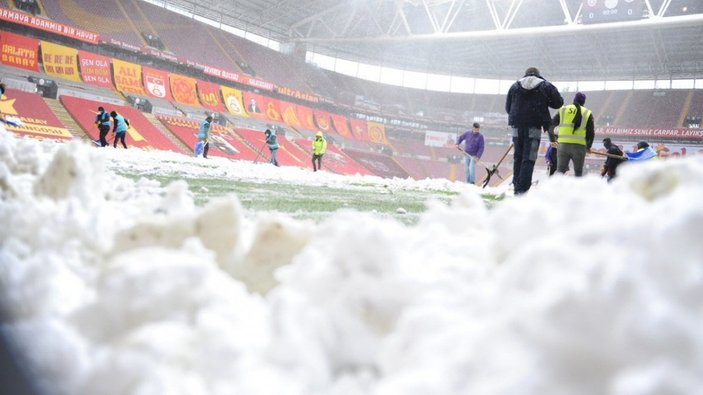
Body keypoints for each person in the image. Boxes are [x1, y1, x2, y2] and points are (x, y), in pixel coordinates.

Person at [505, 67, 564, 194]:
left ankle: (517, 186)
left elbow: (507, 107)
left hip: (516, 126)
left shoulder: (514, 86)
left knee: (518, 157)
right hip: (534, 127)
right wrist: (545, 99)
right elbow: (558, 102)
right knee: (529, 158)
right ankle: (522, 190)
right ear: (538, 75)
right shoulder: (545, 85)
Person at [551, 92, 594, 177]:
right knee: (578, 172)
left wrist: (554, 139)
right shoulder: (587, 113)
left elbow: (552, 124)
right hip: (579, 147)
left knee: (560, 171)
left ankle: (555, 189)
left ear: (574, 99)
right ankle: (576, 190)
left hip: (563, 145)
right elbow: (591, 133)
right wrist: (588, 146)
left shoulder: (563, 109)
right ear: (583, 102)